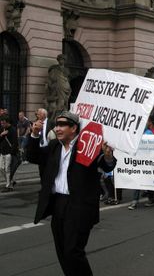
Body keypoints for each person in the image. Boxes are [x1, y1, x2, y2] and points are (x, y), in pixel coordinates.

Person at [27, 111, 116, 276]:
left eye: (62, 125)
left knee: (73, 251)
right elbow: (32, 156)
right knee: (62, 251)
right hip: (58, 204)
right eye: (56, 125)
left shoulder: (87, 145)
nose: (58, 129)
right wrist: (34, 134)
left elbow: (107, 165)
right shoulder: (54, 146)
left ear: (74, 128)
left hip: (80, 206)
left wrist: (108, 156)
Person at [0, 115, 19, 192]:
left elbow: (15, 142)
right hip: (2, 151)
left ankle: (8, 186)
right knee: (1, 168)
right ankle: (12, 181)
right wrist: (2, 134)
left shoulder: (13, 130)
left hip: (9, 153)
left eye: (3, 123)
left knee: (7, 169)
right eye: (1, 123)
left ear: (7, 123)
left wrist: (11, 153)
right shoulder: (2, 129)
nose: (2, 124)